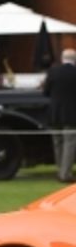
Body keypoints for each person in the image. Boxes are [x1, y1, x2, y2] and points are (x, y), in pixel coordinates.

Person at [43, 47, 76, 183]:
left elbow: (46, 92)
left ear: (62, 59)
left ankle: (60, 170)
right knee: (69, 143)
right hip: (72, 113)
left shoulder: (53, 72)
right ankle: (65, 173)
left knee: (57, 142)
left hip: (55, 113)